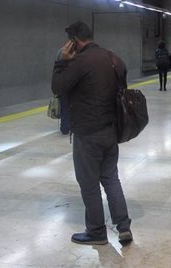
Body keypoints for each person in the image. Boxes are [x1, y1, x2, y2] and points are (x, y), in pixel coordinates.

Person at [51, 21, 133, 246]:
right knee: (111, 179)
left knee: (89, 184)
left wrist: (61, 62)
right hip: (110, 130)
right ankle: (123, 227)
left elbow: (57, 87)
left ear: (74, 42)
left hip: (87, 133)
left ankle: (96, 232)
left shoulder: (78, 61)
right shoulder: (112, 58)